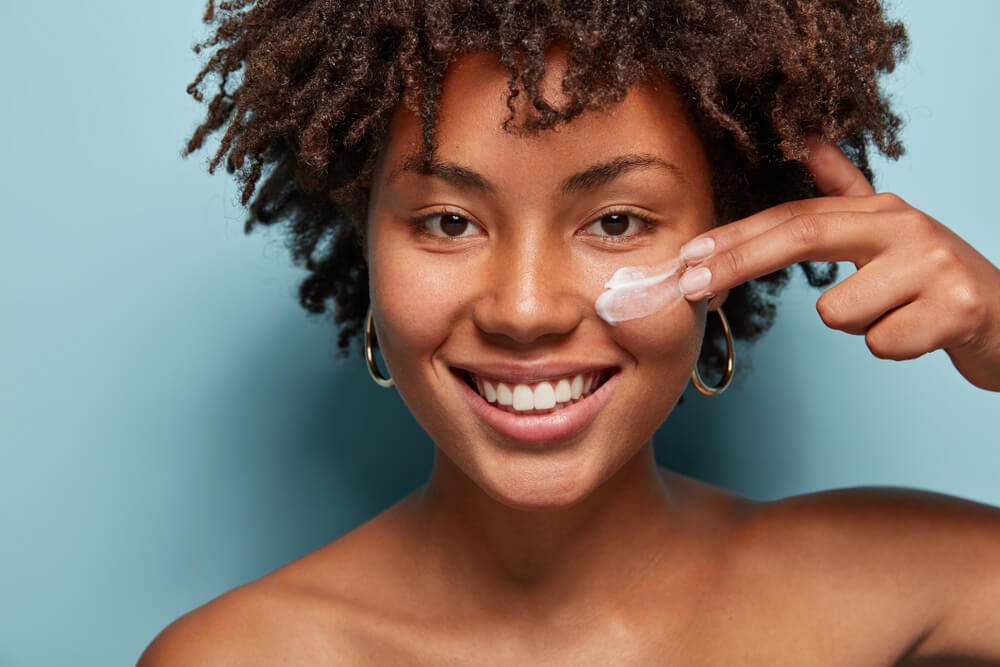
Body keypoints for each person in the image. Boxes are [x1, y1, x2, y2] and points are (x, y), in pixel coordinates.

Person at [140, 1, 1000, 664]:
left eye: (618, 221)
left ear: (736, 232)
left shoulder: (902, 586)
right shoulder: (239, 654)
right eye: (446, 221)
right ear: (361, 237)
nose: (525, 310)